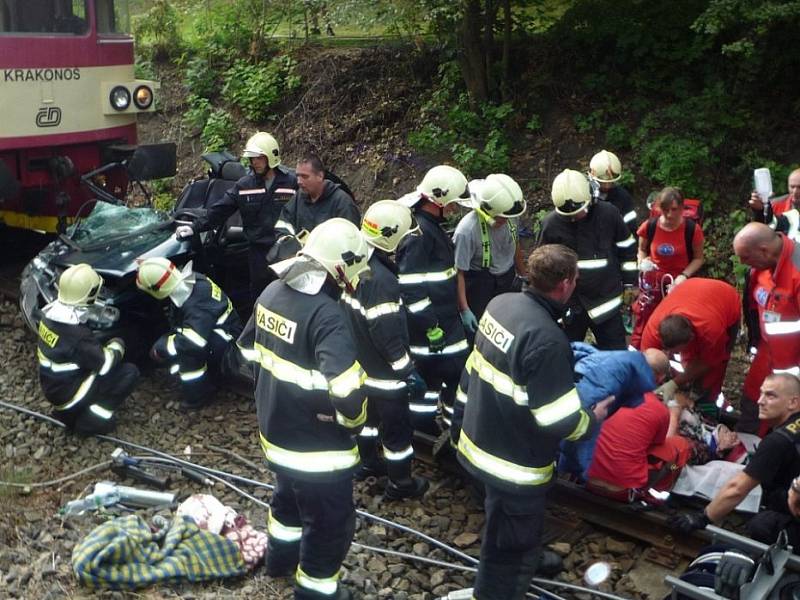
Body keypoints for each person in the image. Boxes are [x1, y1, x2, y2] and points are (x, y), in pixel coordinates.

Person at [455, 244, 612, 599]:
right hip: (513, 465)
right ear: (566, 284)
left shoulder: (500, 306)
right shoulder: (547, 339)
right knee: (512, 547)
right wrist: (591, 419)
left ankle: (516, 566)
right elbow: (555, 418)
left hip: (479, 438)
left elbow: (474, 370)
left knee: (503, 527)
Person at [237, 218, 370, 600]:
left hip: (275, 433)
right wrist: (352, 423)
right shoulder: (328, 316)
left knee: (287, 501)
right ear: (340, 269)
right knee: (330, 524)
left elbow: (246, 353)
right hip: (318, 450)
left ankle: (279, 561)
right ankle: (315, 592)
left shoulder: (271, 293)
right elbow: (346, 392)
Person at [341, 200, 429, 499]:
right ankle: (401, 483)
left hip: (359, 368)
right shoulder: (382, 281)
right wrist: (407, 370)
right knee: (397, 434)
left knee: (367, 423)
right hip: (385, 377)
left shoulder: (352, 260)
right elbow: (388, 334)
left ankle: (368, 463)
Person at [670, 374, 800, 542]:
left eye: (770, 395)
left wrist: (703, 518)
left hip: (791, 503)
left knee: (762, 524)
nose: (760, 401)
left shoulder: (780, 440)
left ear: (793, 402)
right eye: (761, 393)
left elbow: (738, 488)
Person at [176, 131, 298, 305]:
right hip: (259, 254)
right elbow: (220, 210)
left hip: (287, 251)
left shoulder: (291, 183)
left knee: (288, 298)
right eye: (252, 158)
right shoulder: (244, 186)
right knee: (261, 299)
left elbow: (307, 210)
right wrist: (195, 227)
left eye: (258, 158)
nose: (254, 162)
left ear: (271, 157)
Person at [396, 165, 471, 432]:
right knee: (449, 376)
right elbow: (411, 287)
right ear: (437, 200)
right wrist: (431, 327)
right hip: (431, 326)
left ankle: (434, 427)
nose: (454, 208)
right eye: (452, 203)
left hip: (443, 319)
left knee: (442, 377)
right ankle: (433, 429)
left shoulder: (431, 227)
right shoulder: (419, 235)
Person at [537, 168, 638, 350]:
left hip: (606, 304)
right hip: (570, 306)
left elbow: (627, 248)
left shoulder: (609, 214)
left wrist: (631, 284)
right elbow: (541, 267)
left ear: (591, 196)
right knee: (566, 355)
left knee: (614, 357)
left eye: (579, 212)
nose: (575, 218)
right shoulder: (551, 224)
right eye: (569, 216)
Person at [36, 263, 139, 434]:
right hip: (70, 395)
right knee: (129, 372)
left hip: (54, 387)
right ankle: (91, 422)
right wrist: (118, 344)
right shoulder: (78, 337)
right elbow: (105, 364)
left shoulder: (48, 317)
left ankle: (67, 413)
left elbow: (74, 347)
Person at [136, 257, 242, 410]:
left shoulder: (196, 306)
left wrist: (162, 347)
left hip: (228, 344)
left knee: (188, 354)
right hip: (218, 329)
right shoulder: (192, 280)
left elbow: (192, 343)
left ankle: (198, 397)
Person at [559, 344, 669, 482]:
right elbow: (657, 445)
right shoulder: (659, 411)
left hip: (584, 471)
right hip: (623, 487)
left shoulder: (605, 380)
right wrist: (676, 412)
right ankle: (662, 491)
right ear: (660, 378)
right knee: (676, 453)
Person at [734, 223, 800, 435]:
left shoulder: (796, 273)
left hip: (793, 365)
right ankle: (745, 451)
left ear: (763, 250)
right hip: (767, 354)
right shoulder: (759, 268)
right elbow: (754, 308)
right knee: (753, 402)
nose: (743, 263)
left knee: (786, 420)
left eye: (745, 257)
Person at [452, 173, 527, 340]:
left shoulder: (510, 214)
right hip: (479, 285)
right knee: (482, 335)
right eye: (500, 217)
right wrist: (464, 308)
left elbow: (515, 245)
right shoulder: (467, 231)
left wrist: (524, 276)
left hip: (507, 279)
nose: (504, 220)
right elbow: (459, 273)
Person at [631, 187, 705, 348]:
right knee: (645, 319)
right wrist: (642, 263)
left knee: (676, 322)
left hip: (678, 283)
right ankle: (641, 353)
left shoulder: (692, 230)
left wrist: (684, 276)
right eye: (665, 210)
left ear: (681, 208)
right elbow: (642, 249)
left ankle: (674, 358)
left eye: (674, 210)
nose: (670, 215)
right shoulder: (649, 226)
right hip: (653, 283)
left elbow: (699, 258)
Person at [586, 392, 692, 502]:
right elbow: (661, 442)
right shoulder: (659, 409)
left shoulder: (610, 397)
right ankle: (655, 494)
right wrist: (674, 414)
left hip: (588, 479)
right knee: (680, 446)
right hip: (624, 491)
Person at [274, 155, 360, 238]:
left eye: (304, 176)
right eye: (297, 176)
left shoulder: (342, 203)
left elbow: (351, 239)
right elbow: (284, 223)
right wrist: (289, 243)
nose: (299, 181)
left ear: (320, 176)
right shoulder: (299, 197)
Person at [588, 149, 638, 236]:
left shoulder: (623, 197)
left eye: (610, 182)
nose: (607, 186)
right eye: (603, 182)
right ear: (593, 178)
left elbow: (631, 227)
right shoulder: (584, 194)